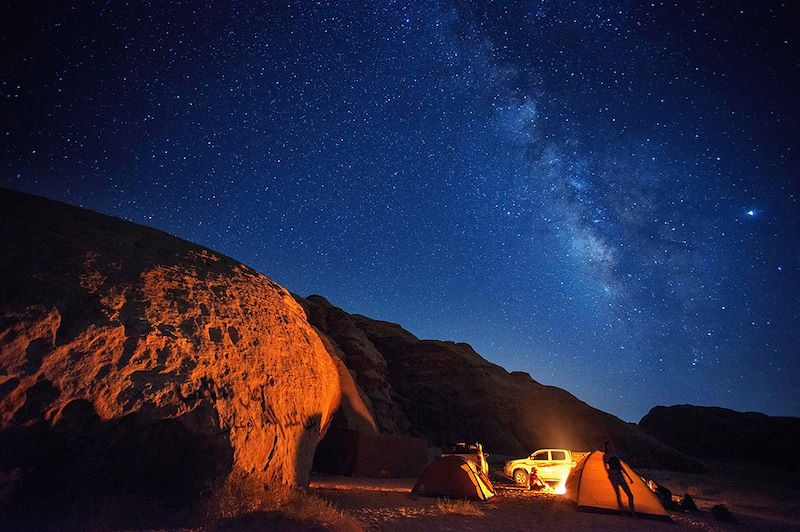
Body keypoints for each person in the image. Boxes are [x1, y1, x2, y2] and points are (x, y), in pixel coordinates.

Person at [604, 441, 635, 516]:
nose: (610, 447)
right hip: (613, 476)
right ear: (606, 447)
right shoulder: (606, 455)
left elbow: (620, 466)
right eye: (609, 446)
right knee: (618, 494)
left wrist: (629, 477)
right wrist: (610, 474)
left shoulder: (615, 454)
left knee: (630, 495)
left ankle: (632, 512)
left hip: (620, 475)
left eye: (611, 445)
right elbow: (606, 467)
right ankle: (622, 512)